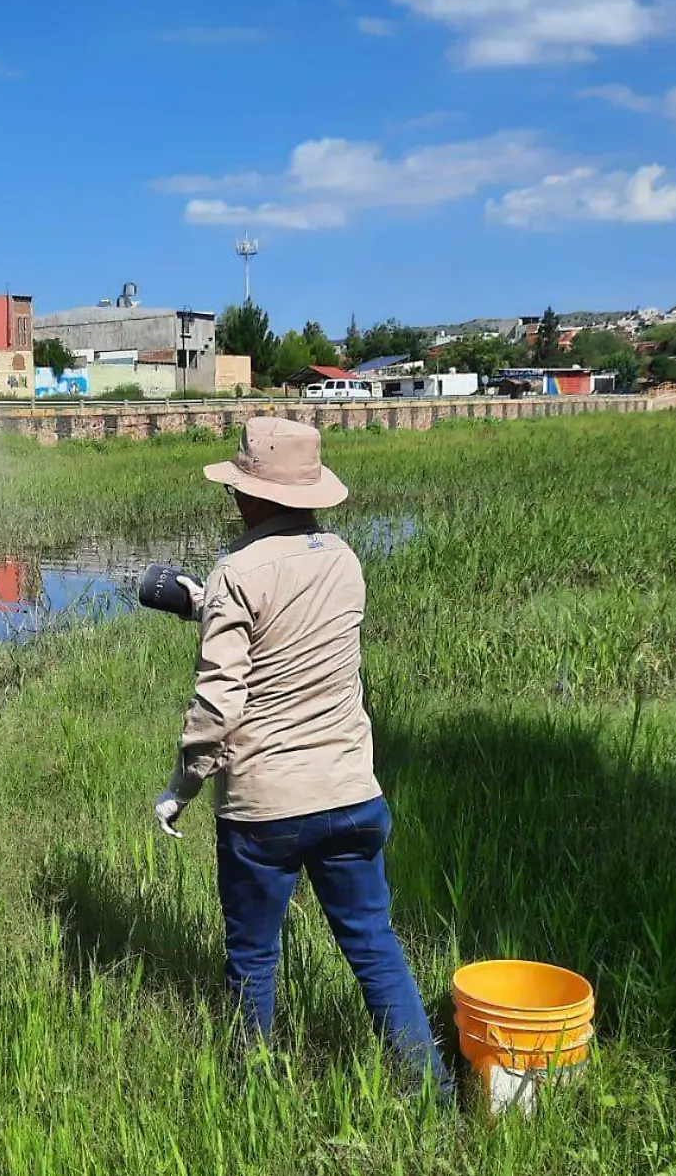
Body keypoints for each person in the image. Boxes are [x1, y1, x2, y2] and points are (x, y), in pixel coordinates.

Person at [153, 416, 451, 1098]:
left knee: (253, 957)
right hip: (352, 795)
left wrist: (181, 786)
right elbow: (300, 633)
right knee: (375, 946)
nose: (233, 499)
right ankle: (430, 1092)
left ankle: (251, 1096)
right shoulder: (345, 559)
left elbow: (220, 705)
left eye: (239, 487)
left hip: (267, 811)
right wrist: (207, 604)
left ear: (255, 497)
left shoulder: (236, 571)